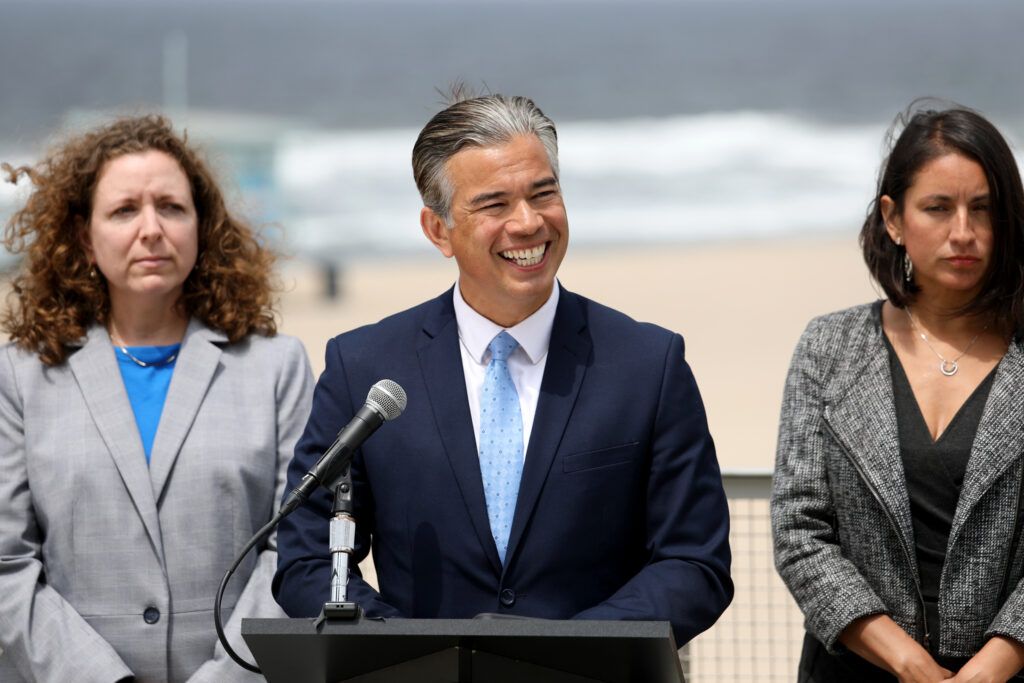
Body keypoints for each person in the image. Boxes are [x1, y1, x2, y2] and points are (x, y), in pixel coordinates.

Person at [273, 91, 733, 645]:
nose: (528, 222)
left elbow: (694, 562)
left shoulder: (648, 364)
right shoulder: (364, 366)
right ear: (438, 230)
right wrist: (404, 651)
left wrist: (567, 655)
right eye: (494, 205)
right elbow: (305, 554)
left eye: (544, 193)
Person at [0, 115, 313, 682]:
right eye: (124, 210)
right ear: (83, 238)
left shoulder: (276, 366)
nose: (152, 229)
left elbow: (294, 548)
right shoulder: (18, 377)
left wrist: (228, 678)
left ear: (202, 225)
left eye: (171, 207)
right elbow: (7, 565)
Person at [772, 102, 1024, 682]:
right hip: (854, 668)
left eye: (982, 210)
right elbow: (798, 529)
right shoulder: (830, 348)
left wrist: (991, 667)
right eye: (938, 208)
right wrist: (906, 659)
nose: (963, 232)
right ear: (893, 218)